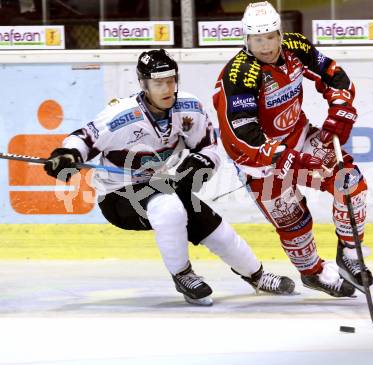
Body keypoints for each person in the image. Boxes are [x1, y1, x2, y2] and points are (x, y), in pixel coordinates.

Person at [44, 48, 295, 306]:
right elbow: (83, 138)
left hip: (160, 185)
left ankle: (257, 275)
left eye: (171, 80)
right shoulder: (121, 115)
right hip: (118, 196)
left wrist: (203, 161)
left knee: (216, 229)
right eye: (158, 83)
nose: (167, 89)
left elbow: (209, 147)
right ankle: (183, 275)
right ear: (143, 84)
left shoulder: (188, 108)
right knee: (170, 207)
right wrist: (67, 155)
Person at [213, 2, 373, 298]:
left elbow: (333, 74)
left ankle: (350, 254)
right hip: (258, 161)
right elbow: (243, 130)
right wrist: (284, 156)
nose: (266, 46)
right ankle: (313, 274)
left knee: (349, 183)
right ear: (246, 39)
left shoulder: (295, 46)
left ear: (280, 33)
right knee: (294, 222)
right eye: (258, 39)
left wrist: (341, 107)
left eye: (271, 37)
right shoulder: (240, 74)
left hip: (299, 136)